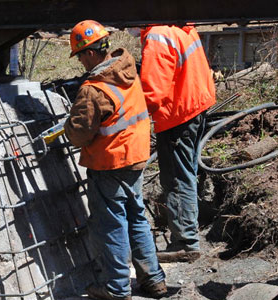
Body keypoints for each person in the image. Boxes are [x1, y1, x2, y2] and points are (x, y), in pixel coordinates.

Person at [64, 20, 171, 300]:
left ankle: (116, 288)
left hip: (109, 164)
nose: (81, 64)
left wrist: (67, 126)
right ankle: (154, 280)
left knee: (111, 225)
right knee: (136, 217)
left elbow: (78, 135)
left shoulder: (93, 90)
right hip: (135, 157)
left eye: (80, 57)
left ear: (88, 53)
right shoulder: (127, 69)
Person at [138, 24, 216, 261]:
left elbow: (152, 92)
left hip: (177, 114)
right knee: (186, 174)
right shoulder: (179, 26)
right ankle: (188, 235)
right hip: (194, 106)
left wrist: (127, 114)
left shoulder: (158, 36)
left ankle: (185, 242)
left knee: (176, 178)